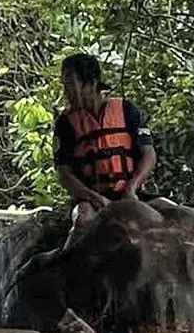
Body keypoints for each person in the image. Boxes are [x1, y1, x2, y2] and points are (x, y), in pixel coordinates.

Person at [53, 53, 171, 246]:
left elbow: (148, 154)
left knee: (173, 211)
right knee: (82, 220)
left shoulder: (126, 109)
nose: (66, 91)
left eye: (70, 83)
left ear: (91, 82)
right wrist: (94, 197)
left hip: (131, 195)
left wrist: (131, 189)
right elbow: (64, 174)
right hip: (90, 201)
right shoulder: (65, 123)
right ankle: (66, 271)